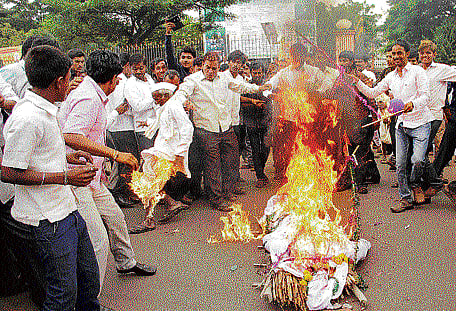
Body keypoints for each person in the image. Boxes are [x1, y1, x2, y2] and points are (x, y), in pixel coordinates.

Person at [1, 45, 100, 310]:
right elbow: (10, 172)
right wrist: (66, 177)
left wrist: (70, 156)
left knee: (89, 281)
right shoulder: (28, 117)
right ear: (59, 82)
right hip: (47, 220)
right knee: (62, 295)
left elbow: (41, 152)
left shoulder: (46, 107)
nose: (72, 84)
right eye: (70, 78)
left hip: (66, 210)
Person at [59, 50, 156, 289]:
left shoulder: (92, 93)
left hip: (92, 178)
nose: (119, 82)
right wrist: (114, 154)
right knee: (97, 241)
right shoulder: (88, 98)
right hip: (78, 180)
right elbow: (71, 136)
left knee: (116, 218)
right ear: (111, 78)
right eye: (117, 77)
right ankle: (90, 298)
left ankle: (126, 262)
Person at [169, 52, 271, 211]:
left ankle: (226, 191)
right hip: (206, 130)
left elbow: (240, 86)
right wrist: (184, 102)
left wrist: (258, 88)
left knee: (231, 161)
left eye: (214, 68)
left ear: (218, 66)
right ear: (202, 65)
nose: (211, 71)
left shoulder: (224, 78)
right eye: (208, 68)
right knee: (213, 165)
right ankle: (216, 199)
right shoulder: (192, 80)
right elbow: (181, 93)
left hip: (226, 128)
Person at [353, 39, 432, 213]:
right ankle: (405, 198)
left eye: (399, 53)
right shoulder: (391, 76)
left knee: (418, 160)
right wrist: (356, 82)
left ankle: (416, 184)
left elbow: (426, 97)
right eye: (393, 54)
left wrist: (412, 103)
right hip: (402, 124)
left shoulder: (418, 72)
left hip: (421, 123)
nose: (396, 57)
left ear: (407, 54)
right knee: (401, 163)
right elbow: (373, 93)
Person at [130, 82, 193, 233]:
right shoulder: (166, 106)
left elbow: (187, 128)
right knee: (152, 182)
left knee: (150, 182)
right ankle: (171, 203)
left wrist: (179, 154)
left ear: (165, 95)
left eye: (156, 97)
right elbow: (162, 122)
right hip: (162, 150)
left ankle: (149, 219)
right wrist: (148, 123)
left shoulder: (173, 106)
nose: (154, 100)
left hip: (168, 153)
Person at [417, 39, 456, 198]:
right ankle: (430, 183)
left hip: (434, 116)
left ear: (434, 54)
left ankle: (431, 184)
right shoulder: (415, 70)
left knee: (423, 152)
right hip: (417, 116)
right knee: (429, 152)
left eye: (429, 52)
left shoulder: (443, 69)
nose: (425, 55)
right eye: (423, 52)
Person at [105, 52, 140, 208]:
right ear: (126, 66)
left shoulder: (114, 81)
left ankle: (122, 192)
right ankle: (120, 193)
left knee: (120, 162)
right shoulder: (124, 82)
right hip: (124, 127)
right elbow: (128, 106)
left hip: (115, 126)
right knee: (127, 161)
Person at [241, 62, 272, 188]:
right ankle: (260, 176)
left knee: (265, 148)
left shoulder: (268, 85)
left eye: (259, 72)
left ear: (263, 73)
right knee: (255, 148)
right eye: (255, 73)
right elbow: (240, 102)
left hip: (266, 121)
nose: (257, 75)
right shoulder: (246, 87)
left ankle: (261, 170)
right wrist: (253, 103)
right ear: (251, 73)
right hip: (251, 122)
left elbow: (273, 99)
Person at [124, 53, 158, 152]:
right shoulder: (130, 84)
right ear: (130, 68)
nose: (138, 71)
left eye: (141, 68)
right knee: (149, 159)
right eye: (135, 69)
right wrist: (154, 97)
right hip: (143, 128)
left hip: (156, 124)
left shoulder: (149, 78)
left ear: (146, 67)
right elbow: (137, 106)